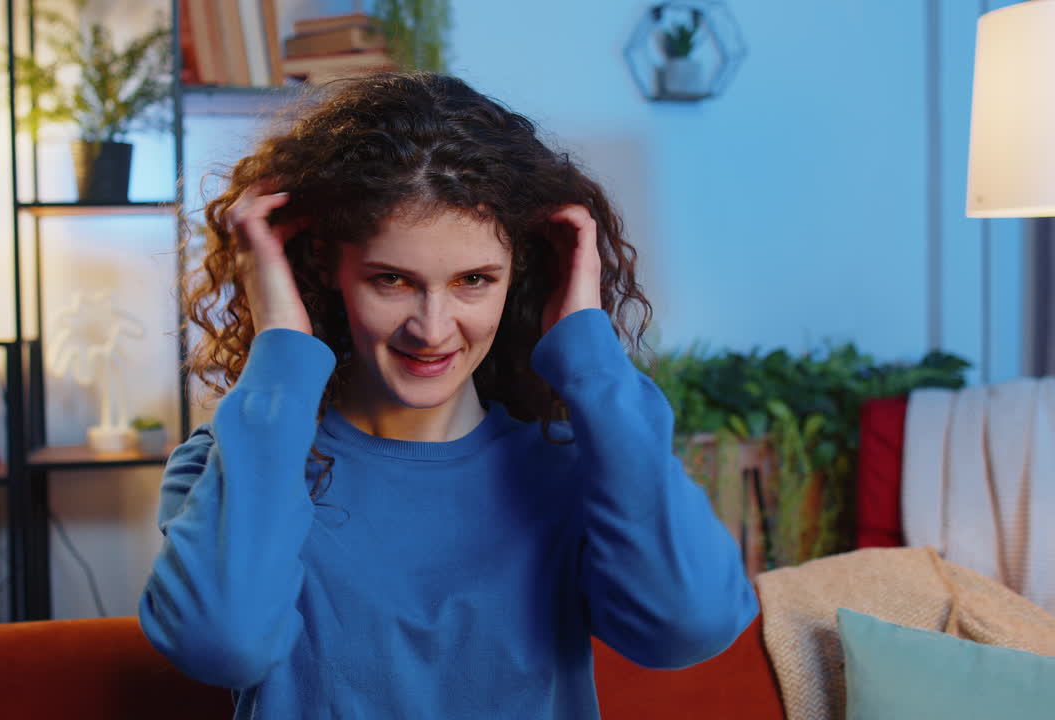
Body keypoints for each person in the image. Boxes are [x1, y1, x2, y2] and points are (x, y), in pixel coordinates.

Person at [139, 72, 757, 719]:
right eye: (392, 280)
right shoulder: (227, 466)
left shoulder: (575, 468)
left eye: (474, 281)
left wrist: (590, 353)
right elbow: (220, 645)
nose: (432, 329)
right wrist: (281, 355)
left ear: (520, 272)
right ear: (324, 265)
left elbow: (692, 625)